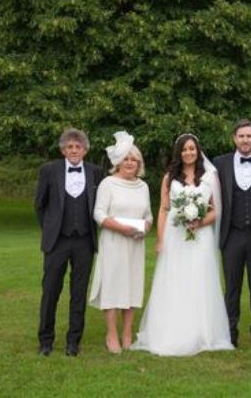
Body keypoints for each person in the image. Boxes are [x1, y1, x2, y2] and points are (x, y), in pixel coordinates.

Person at [131, 134, 234, 356]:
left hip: (201, 238)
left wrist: (199, 221)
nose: (189, 153)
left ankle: (202, 332)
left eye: (192, 149)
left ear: (198, 151)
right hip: (175, 236)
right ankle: (171, 330)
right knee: (175, 279)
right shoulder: (170, 177)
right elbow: (164, 209)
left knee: (199, 279)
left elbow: (216, 209)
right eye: (184, 149)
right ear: (179, 152)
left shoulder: (209, 176)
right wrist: (159, 240)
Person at [34, 128, 104, 357]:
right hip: (57, 242)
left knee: (79, 292)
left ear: (85, 149)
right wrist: (51, 228)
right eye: (70, 147)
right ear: (63, 149)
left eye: (78, 146)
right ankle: (45, 341)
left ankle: (74, 341)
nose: (74, 150)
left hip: (84, 241)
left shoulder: (96, 172)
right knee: (51, 290)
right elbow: (40, 205)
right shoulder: (49, 170)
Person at [88, 131, 152, 354]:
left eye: (134, 159)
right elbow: (98, 213)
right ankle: (112, 333)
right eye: (126, 158)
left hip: (135, 244)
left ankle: (127, 332)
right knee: (114, 286)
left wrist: (145, 226)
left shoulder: (143, 187)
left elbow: (149, 216)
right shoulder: (108, 183)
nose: (130, 163)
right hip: (114, 242)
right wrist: (122, 228)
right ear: (118, 162)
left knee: (132, 286)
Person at [213, 119, 251, 350]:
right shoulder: (220, 163)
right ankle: (230, 333)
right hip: (232, 234)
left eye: (249, 136)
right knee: (232, 287)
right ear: (234, 139)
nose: (245, 140)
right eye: (241, 136)